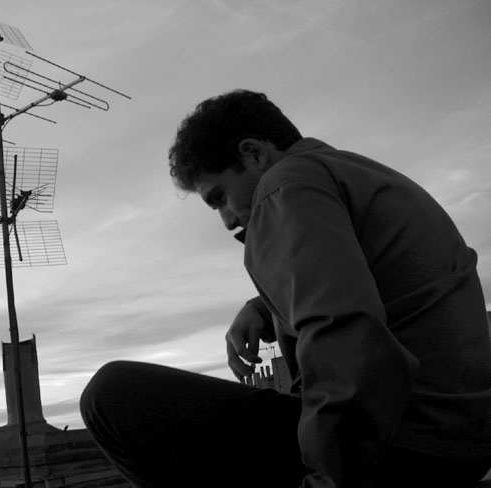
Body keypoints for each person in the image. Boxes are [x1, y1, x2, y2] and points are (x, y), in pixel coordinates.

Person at [80, 89, 491, 487]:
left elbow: (347, 335)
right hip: (460, 442)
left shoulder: (286, 184)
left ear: (254, 154)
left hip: (405, 447)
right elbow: (370, 278)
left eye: (220, 197)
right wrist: (263, 306)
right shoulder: (351, 172)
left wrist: (326, 479)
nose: (226, 219)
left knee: (111, 395)